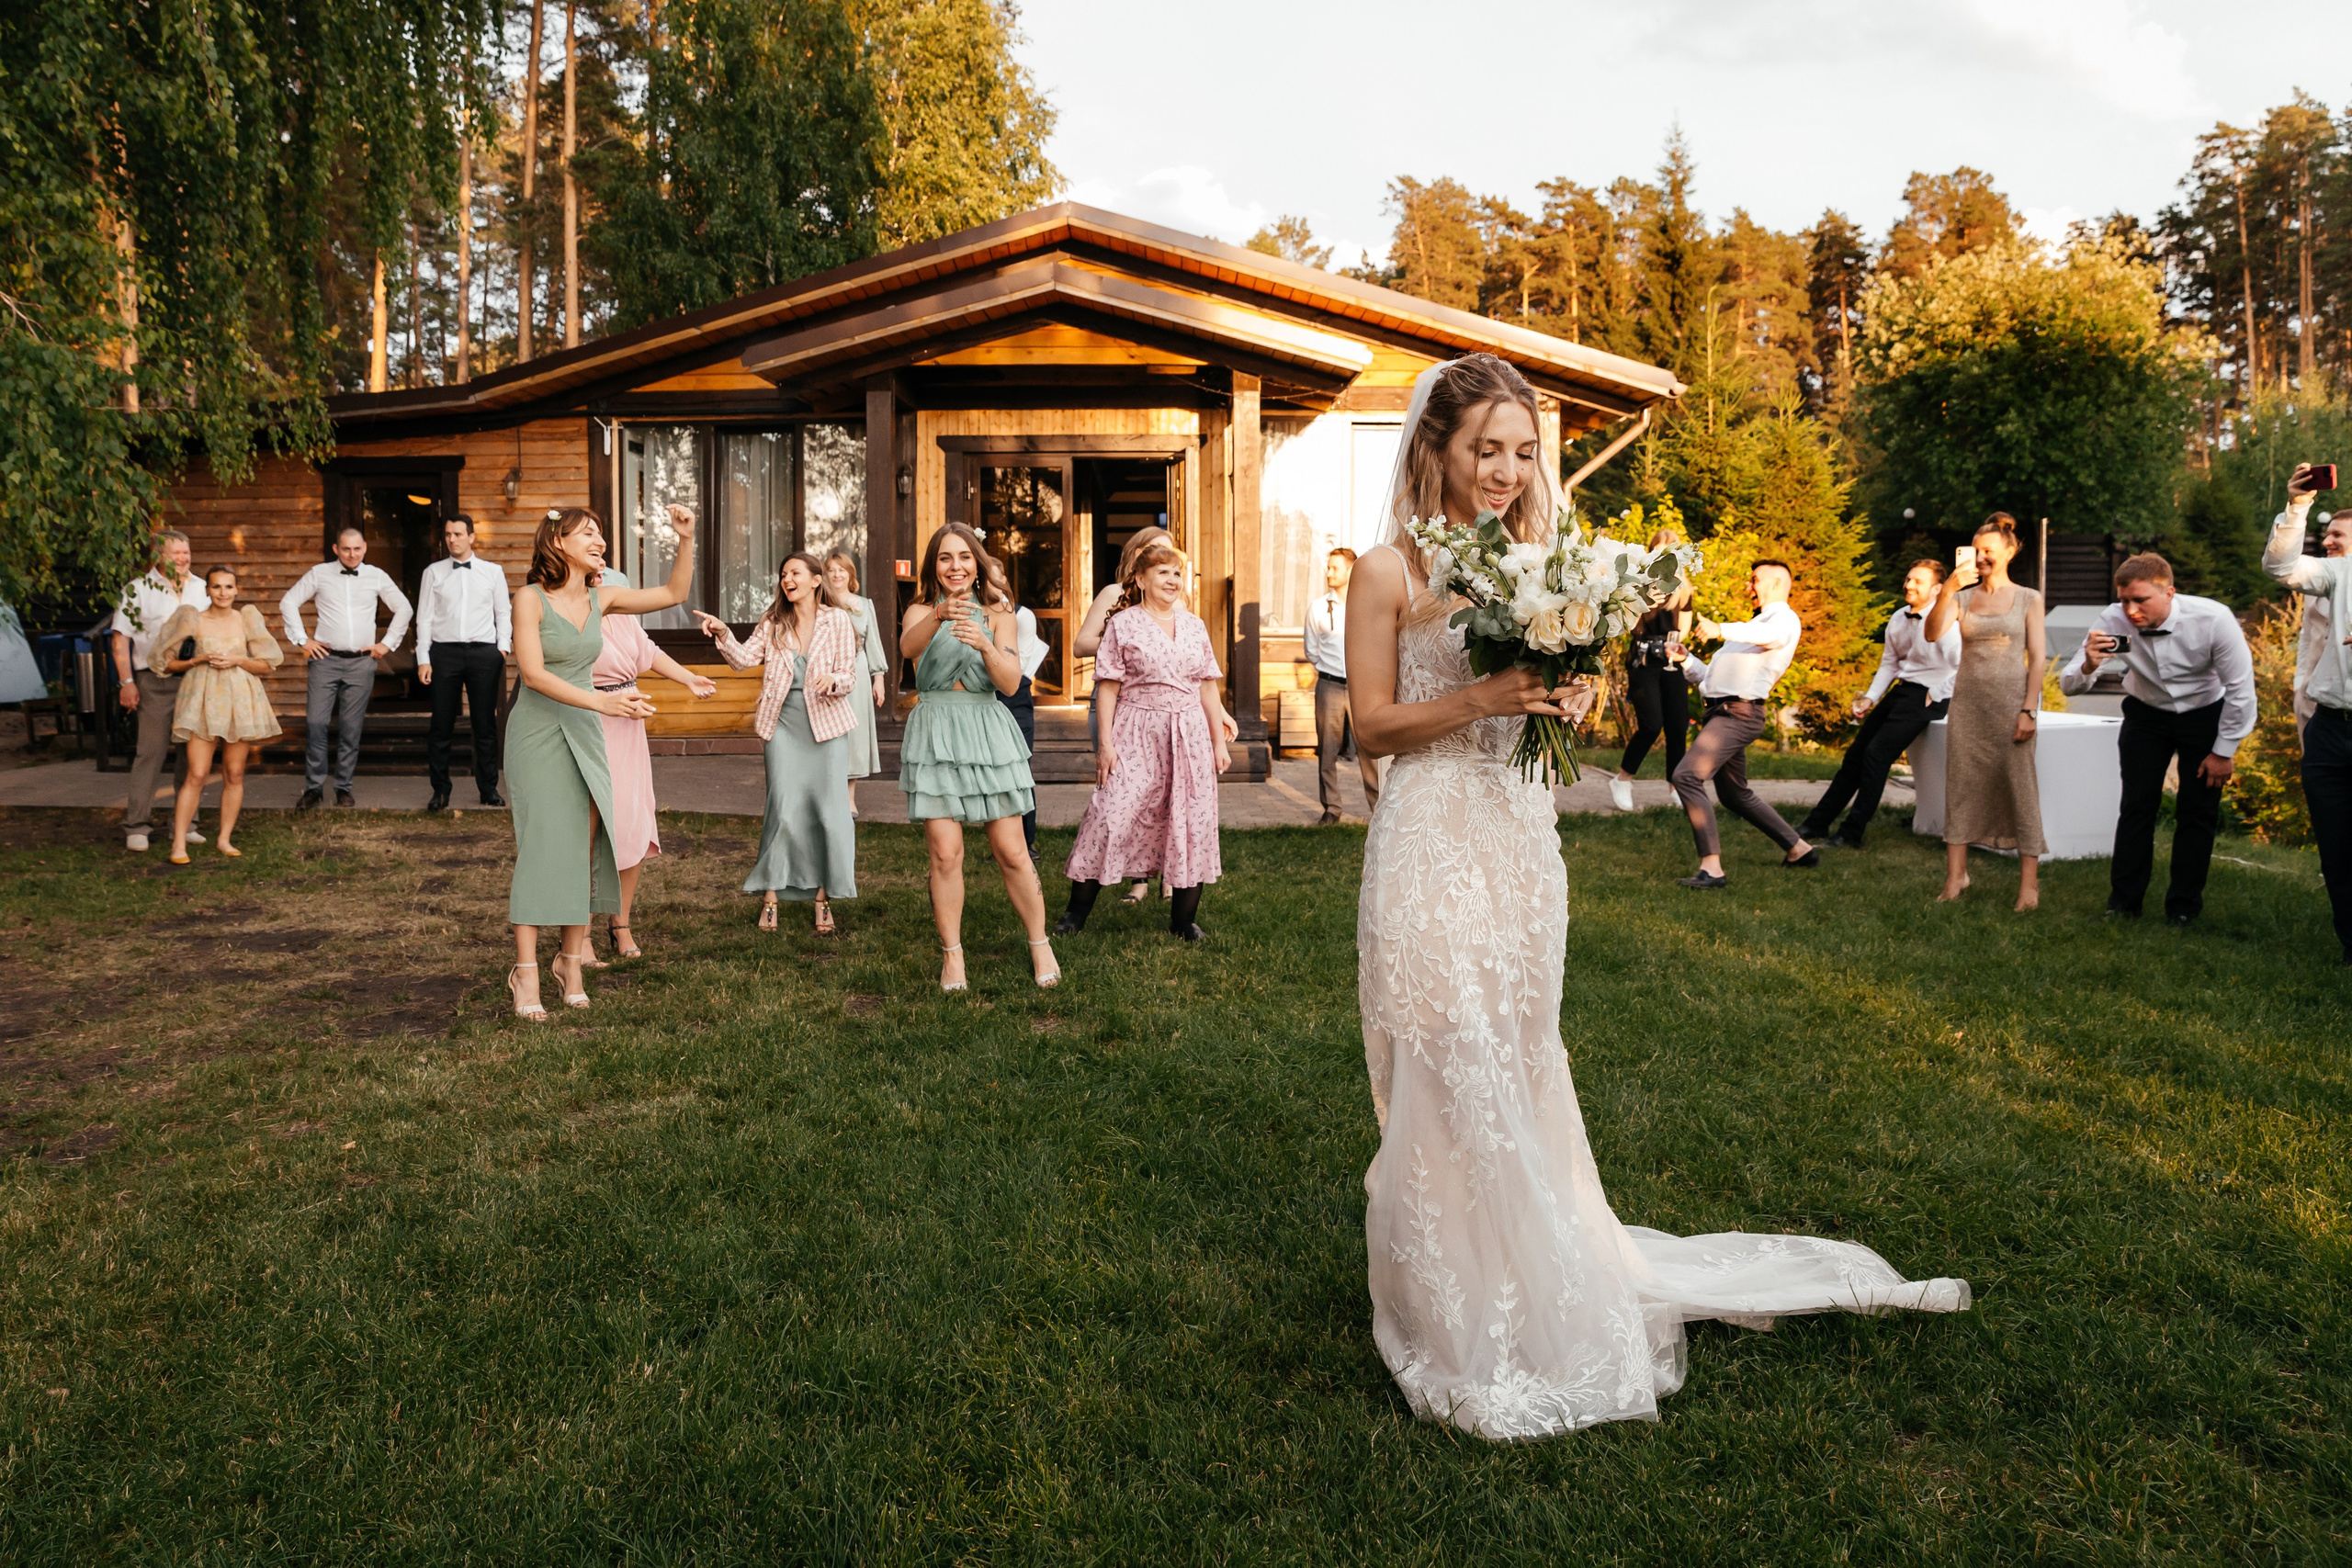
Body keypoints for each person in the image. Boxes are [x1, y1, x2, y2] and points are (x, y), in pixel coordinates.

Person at [1346, 354, 1968, 1442]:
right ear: (1434, 447)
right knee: (1442, 1050)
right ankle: (1447, 1310)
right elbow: (1371, 727)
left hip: (1519, 833)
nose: (1503, 470)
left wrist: (1566, 691)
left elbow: (1547, 706)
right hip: (1429, 832)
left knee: (1521, 1048)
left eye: (1522, 451)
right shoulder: (1387, 571)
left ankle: (1535, 1271)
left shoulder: (1540, 562)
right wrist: (1489, 692)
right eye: (1482, 448)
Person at [503, 505, 696, 1021]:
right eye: (588, 534)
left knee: (583, 845)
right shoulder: (529, 598)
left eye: (601, 536)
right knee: (543, 843)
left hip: (585, 731)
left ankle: (571, 962)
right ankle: (525, 972)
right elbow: (534, 674)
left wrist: (685, 539)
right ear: (558, 541)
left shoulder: (601, 596)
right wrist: (604, 702)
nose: (600, 542)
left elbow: (673, 594)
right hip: (538, 732)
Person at [898, 523, 1058, 992]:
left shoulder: (1000, 613)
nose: (956, 567)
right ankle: (953, 957)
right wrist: (941, 616)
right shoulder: (920, 610)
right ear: (935, 566)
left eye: (965, 557)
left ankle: (1039, 942)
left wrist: (986, 641)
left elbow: (1009, 684)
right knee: (945, 854)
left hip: (988, 731)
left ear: (978, 563)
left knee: (1011, 850)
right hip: (936, 730)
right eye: (945, 558)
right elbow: (909, 649)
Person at [2057, 552, 2254, 927]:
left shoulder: (2213, 619)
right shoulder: (2112, 619)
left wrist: (2224, 750)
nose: (2130, 610)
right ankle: (2124, 904)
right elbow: (2069, 684)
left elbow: (2241, 690)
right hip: (2146, 715)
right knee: (2136, 807)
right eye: (2124, 599)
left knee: (2197, 813)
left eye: (2140, 600)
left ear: (2169, 593)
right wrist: (2088, 665)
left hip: (2204, 715)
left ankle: (2183, 908)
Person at [1055, 539, 1232, 940]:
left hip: (1188, 735)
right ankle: (1074, 914)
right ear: (1140, 578)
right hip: (1136, 731)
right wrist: (1105, 743)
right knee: (1110, 814)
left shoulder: (1195, 625)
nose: (1173, 580)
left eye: (1178, 573)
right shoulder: (1123, 624)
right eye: (1164, 572)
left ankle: (1183, 921)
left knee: (1190, 820)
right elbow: (1107, 688)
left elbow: (1205, 686)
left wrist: (1218, 740)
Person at [696, 553, 860, 936]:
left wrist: (832, 681)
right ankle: (771, 897)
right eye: (783, 573)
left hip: (828, 727)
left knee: (829, 815)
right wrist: (723, 633)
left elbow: (849, 674)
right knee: (784, 811)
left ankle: (823, 899)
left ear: (816, 580)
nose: (788, 579)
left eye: (796, 573)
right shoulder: (773, 623)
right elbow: (742, 660)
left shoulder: (837, 620)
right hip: (783, 727)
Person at [587, 568, 717, 960]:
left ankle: (620, 923)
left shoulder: (624, 616)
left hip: (629, 728)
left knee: (632, 825)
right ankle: (578, 935)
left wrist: (688, 678)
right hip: (590, 723)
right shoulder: (573, 614)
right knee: (588, 833)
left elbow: (651, 652)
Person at [1927, 516, 2049, 911]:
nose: (1980, 558)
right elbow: (1931, 634)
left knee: (2020, 789)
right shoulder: (1961, 598)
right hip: (1969, 706)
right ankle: (1955, 876)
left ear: (2011, 552)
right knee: (1961, 786)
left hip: (2012, 705)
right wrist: (1947, 589)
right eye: (1976, 551)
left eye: (1988, 551)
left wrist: (2029, 709)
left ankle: (2029, 886)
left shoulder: (2029, 598)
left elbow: (2038, 658)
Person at [1669, 561, 1816, 888]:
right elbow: (1711, 680)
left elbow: (1769, 636)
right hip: (1722, 711)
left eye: (1755, 580)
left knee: (1686, 776)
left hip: (1738, 714)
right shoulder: (1753, 627)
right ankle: (1799, 849)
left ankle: (1713, 868)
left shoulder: (1783, 621)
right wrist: (1686, 660)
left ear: (1778, 583)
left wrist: (1720, 628)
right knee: (1735, 794)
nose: (1749, 586)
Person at [1798, 558, 1962, 849]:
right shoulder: (1899, 617)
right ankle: (1816, 823)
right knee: (1855, 756)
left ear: (1938, 589)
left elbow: (1963, 667)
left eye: (1918, 581)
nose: (1909, 585)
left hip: (1930, 696)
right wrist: (1871, 698)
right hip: (1902, 692)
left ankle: (1851, 834)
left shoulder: (1946, 624)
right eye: (1909, 579)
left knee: (1876, 755)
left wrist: (1936, 694)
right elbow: (1889, 662)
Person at [2264, 463, 2352, 958]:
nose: (2331, 542)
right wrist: (2298, 506)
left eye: (2341, 534)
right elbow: (2280, 569)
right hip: (2330, 730)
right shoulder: (2338, 575)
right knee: (2336, 850)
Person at [153, 567, 283, 863]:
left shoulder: (247, 619)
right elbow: (166, 663)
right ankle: (179, 845)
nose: (223, 593)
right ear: (207, 591)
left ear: (237, 590)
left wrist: (239, 659)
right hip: (203, 701)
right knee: (197, 773)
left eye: (228, 587)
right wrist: (197, 659)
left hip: (240, 701)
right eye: (216, 587)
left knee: (234, 773)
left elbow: (267, 665)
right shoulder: (193, 619)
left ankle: (224, 838)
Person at [281, 526, 413, 809]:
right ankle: (314, 788)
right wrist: (302, 640)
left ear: (364, 547)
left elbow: (404, 608)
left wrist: (386, 644)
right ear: (336, 549)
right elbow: (288, 601)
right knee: (316, 723)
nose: (351, 554)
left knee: (350, 728)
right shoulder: (319, 573)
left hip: (360, 663)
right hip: (324, 660)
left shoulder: (376, 576)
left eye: (356, 549)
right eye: (346, 549)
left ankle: (343, 787)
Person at [1076, 525, 1172, 904]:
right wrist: (1126, 637)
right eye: (1154, 552)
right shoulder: (1114, 595)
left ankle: (1164, 875)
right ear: (1136, 556)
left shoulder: (1174, 602)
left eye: (1170, 556)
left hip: (1163, 712)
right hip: (1114, 707)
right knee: (1122, 794)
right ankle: (1132, 879)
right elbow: (1081, 643)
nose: (1164, 563)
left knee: (1163, 794)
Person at [109, 529, 210, 852]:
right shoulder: (137, 590)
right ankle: (137, 825)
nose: (182, 559)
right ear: (158, 555)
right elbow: (120, 639)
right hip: (154, 680)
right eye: (175, 553)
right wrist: (126, 682)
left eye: (186, 552)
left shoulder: (203, 588)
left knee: (191, 756)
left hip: (195, 679)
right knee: (150, 753)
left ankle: (185, 824)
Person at [415, 513, 513, 811]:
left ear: (471, 537)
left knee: (484, 725)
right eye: (448, 534)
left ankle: (489, 789)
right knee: (440, 725)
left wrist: (502, 649)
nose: (452, 539)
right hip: (444, 654)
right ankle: (440, 791)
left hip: (485, 653)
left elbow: (503, 613)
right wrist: (423, 658)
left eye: (458, 534)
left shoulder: (492, 572)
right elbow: (424, 617)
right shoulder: (433, 572)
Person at [1607, 527, 1693, 814]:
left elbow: (1684, 631)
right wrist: (1642, 598)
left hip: (1671, 661)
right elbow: (1628, 625)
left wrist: (1679, 650)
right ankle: (1623, 779)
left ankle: (1676, 785)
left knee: (1679, 725)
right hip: (1644, 661)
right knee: (1651, 724)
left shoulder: (1685, 590)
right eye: (1660, 553)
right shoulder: (1639, 588)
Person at [1304, 547, 1386, 825]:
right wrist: (1331, 669)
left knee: (1371, 750)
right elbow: (1311, 651)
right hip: (1329, 686)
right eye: (1328, 567)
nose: (1329, 573)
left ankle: (1378, 809)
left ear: (1350, 570)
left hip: (1363, 687)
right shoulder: (1318, 607)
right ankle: (1331, 808)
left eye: (1334, 568)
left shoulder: (1368, 603)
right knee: (1327, 751)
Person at [822, 550, 888, 817]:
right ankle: (830, 793)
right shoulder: (819, 603)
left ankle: (850, 797)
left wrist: (879, 677)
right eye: (831, 570)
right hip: (827, 672)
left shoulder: (864, 604)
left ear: (851, 575)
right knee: (829, 731)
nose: (837, 575)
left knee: (855, 733)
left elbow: (873, 641)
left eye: (842, 570)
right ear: (824, 575)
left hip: (858, 671)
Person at [2290, 504, 2349, 739]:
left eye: (2337, 535)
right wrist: (2300, 683)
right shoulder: (2315, 582)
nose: (2327, 542)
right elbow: (2307, 636)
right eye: (2327, 535)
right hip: (2310, 701)